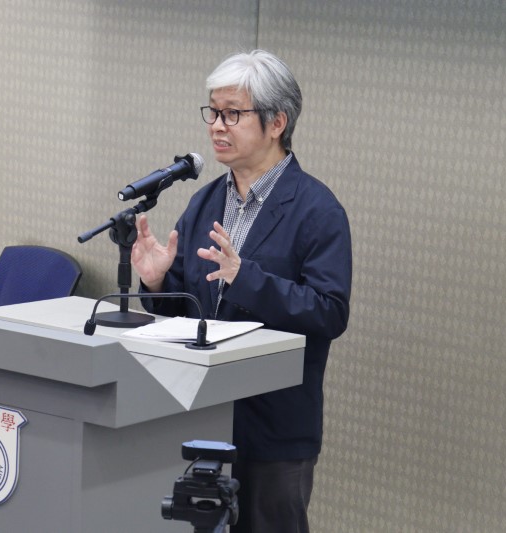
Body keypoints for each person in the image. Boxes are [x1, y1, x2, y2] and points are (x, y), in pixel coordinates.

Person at [132, 49, 352, 533]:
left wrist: (245, 277)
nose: (217, 126)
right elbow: (188, 307)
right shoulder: (206, 200)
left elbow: (330, 312)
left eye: (233, 114)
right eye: (213, 112)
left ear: (277, 123)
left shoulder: (317, 210)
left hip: (274, 428)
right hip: (200, 415)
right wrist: (158, 281)